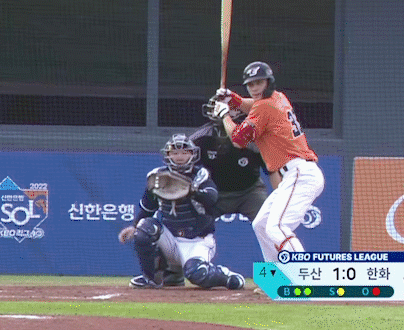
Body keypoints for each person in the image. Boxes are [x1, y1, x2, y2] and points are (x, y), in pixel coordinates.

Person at [213, 61, 324, 261]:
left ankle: (304, 273)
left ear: (268, 82)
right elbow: (253, 106)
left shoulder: (264, 106)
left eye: (259, 82)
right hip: (295, 174)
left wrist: (224, 115)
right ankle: (275, 276)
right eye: (250, 84)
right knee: (261, 224)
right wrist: (232, 98)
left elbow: (238, 140)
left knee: (277, 227)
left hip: (299, 173)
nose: (254, 87)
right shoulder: (278, 97)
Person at [118, 133, 245, 290]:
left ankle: (226, 276)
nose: (179, 157)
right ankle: (151, 278)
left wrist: (192, 191)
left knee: (197, 274)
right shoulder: (157, 177)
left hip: (197, 239)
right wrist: (135, 226)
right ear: (168, 154)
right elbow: (147, 208)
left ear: (192, 154)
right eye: (175, 152)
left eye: (184, 152)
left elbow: (211, 198)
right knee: (145, 227)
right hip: (170, 238)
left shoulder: (200, 175)